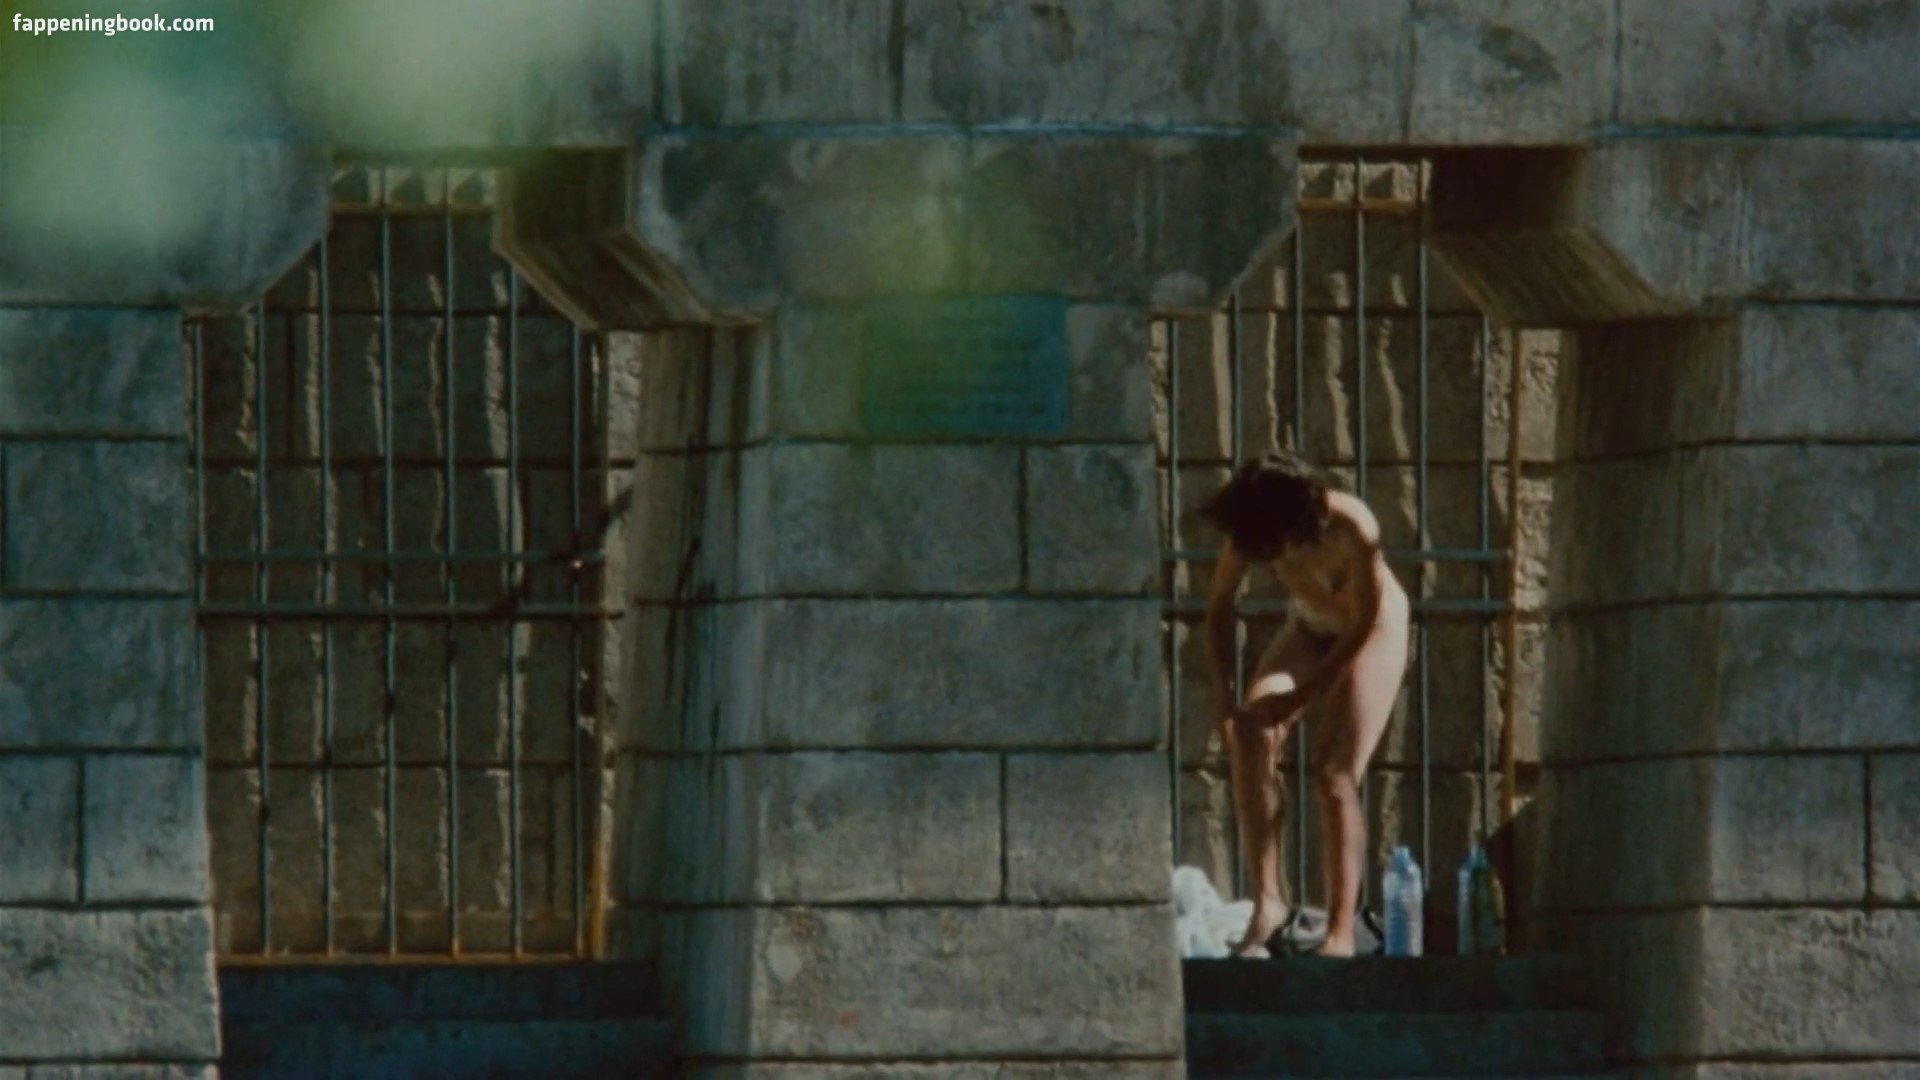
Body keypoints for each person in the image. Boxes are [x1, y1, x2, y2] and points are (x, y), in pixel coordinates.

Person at [1198, 449, 1410, 958]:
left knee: (1334, 772)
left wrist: (1302, 697)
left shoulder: (1354, 526)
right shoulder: (1251, 531)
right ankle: (1268, 903)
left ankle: (1340, 932)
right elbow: (1219, 610)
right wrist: (1225, 699)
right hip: (1311, 625)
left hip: (1370, 630)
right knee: (1251, 732)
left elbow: (1362, 623)